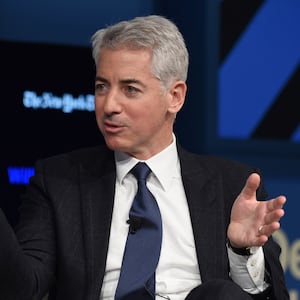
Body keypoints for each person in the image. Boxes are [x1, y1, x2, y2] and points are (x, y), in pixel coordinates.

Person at [0, 15, 289, 300]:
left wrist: (242, 252)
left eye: (130, 89)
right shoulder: (59, 181)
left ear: (175, 97)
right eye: (102, 86)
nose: (109, 105)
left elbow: (274, 296)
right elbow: (23, 288)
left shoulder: (232, 186)